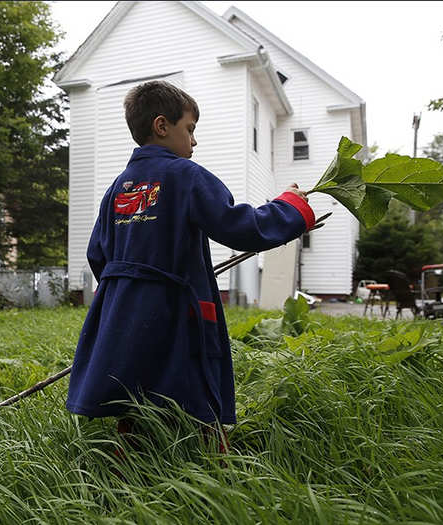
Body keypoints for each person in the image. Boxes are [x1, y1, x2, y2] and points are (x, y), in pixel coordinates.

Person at [65, 80, 314, 434]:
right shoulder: (187, 176)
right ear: (162, 126)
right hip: (176, 307)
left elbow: (97, 254)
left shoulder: (118, 188)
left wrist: (127, 289)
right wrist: (290, 208)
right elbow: (238, 226)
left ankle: (132, 446)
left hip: (123, 307)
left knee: (134, 375)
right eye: (190, 129)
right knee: (190, 376)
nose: (194, 140)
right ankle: (209, 449)